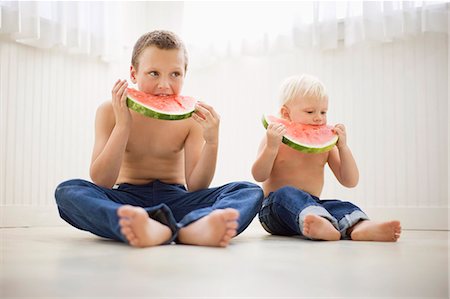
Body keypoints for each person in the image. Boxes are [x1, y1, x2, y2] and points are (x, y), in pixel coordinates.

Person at [55, 30, 263, 248]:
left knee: (248, 191)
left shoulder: (190, 117)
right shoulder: (109, 111)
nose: (164, 84)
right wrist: (123, 124)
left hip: (178, 199)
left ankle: (183, 229)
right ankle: (160, 225)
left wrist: (212, 142)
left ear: (185, 74)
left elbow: (196, 186)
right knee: (68, 191)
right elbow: (102, 181)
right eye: (154, 73)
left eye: (175, 74)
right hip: (128, 198)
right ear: (133, 74)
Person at [252, 74, 401, 242]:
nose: (319, 117)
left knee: (339, 205)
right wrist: (271, 147)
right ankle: (319, 221)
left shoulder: (326, 146)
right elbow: (259, 175)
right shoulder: (274, 138)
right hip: (273, 209)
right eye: (310, 111)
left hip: (313, 206)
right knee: (286, 193)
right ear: (286, 113)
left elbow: (349, 181)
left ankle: (359, 227)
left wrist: (343, 147)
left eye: (324, 112)